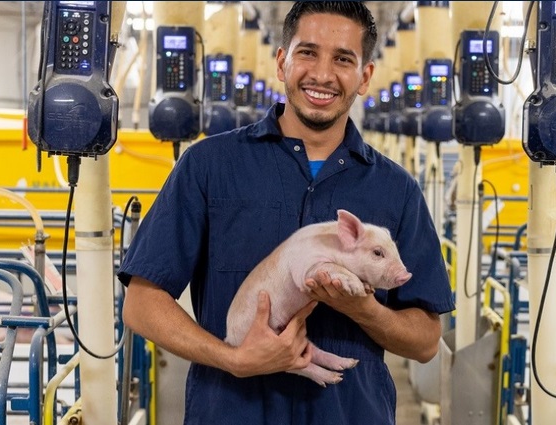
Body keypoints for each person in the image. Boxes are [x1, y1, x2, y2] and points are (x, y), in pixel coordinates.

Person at [118, 2, 455, 424]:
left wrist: (363, 308)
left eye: (343, 59)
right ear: (282, 62)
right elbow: (141, 303)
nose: (322, 74)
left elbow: (426, 341)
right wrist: (233, 358)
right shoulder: (209, 165)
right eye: (307, 52)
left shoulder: (396, 189)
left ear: (365, 77)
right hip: (231, 413)